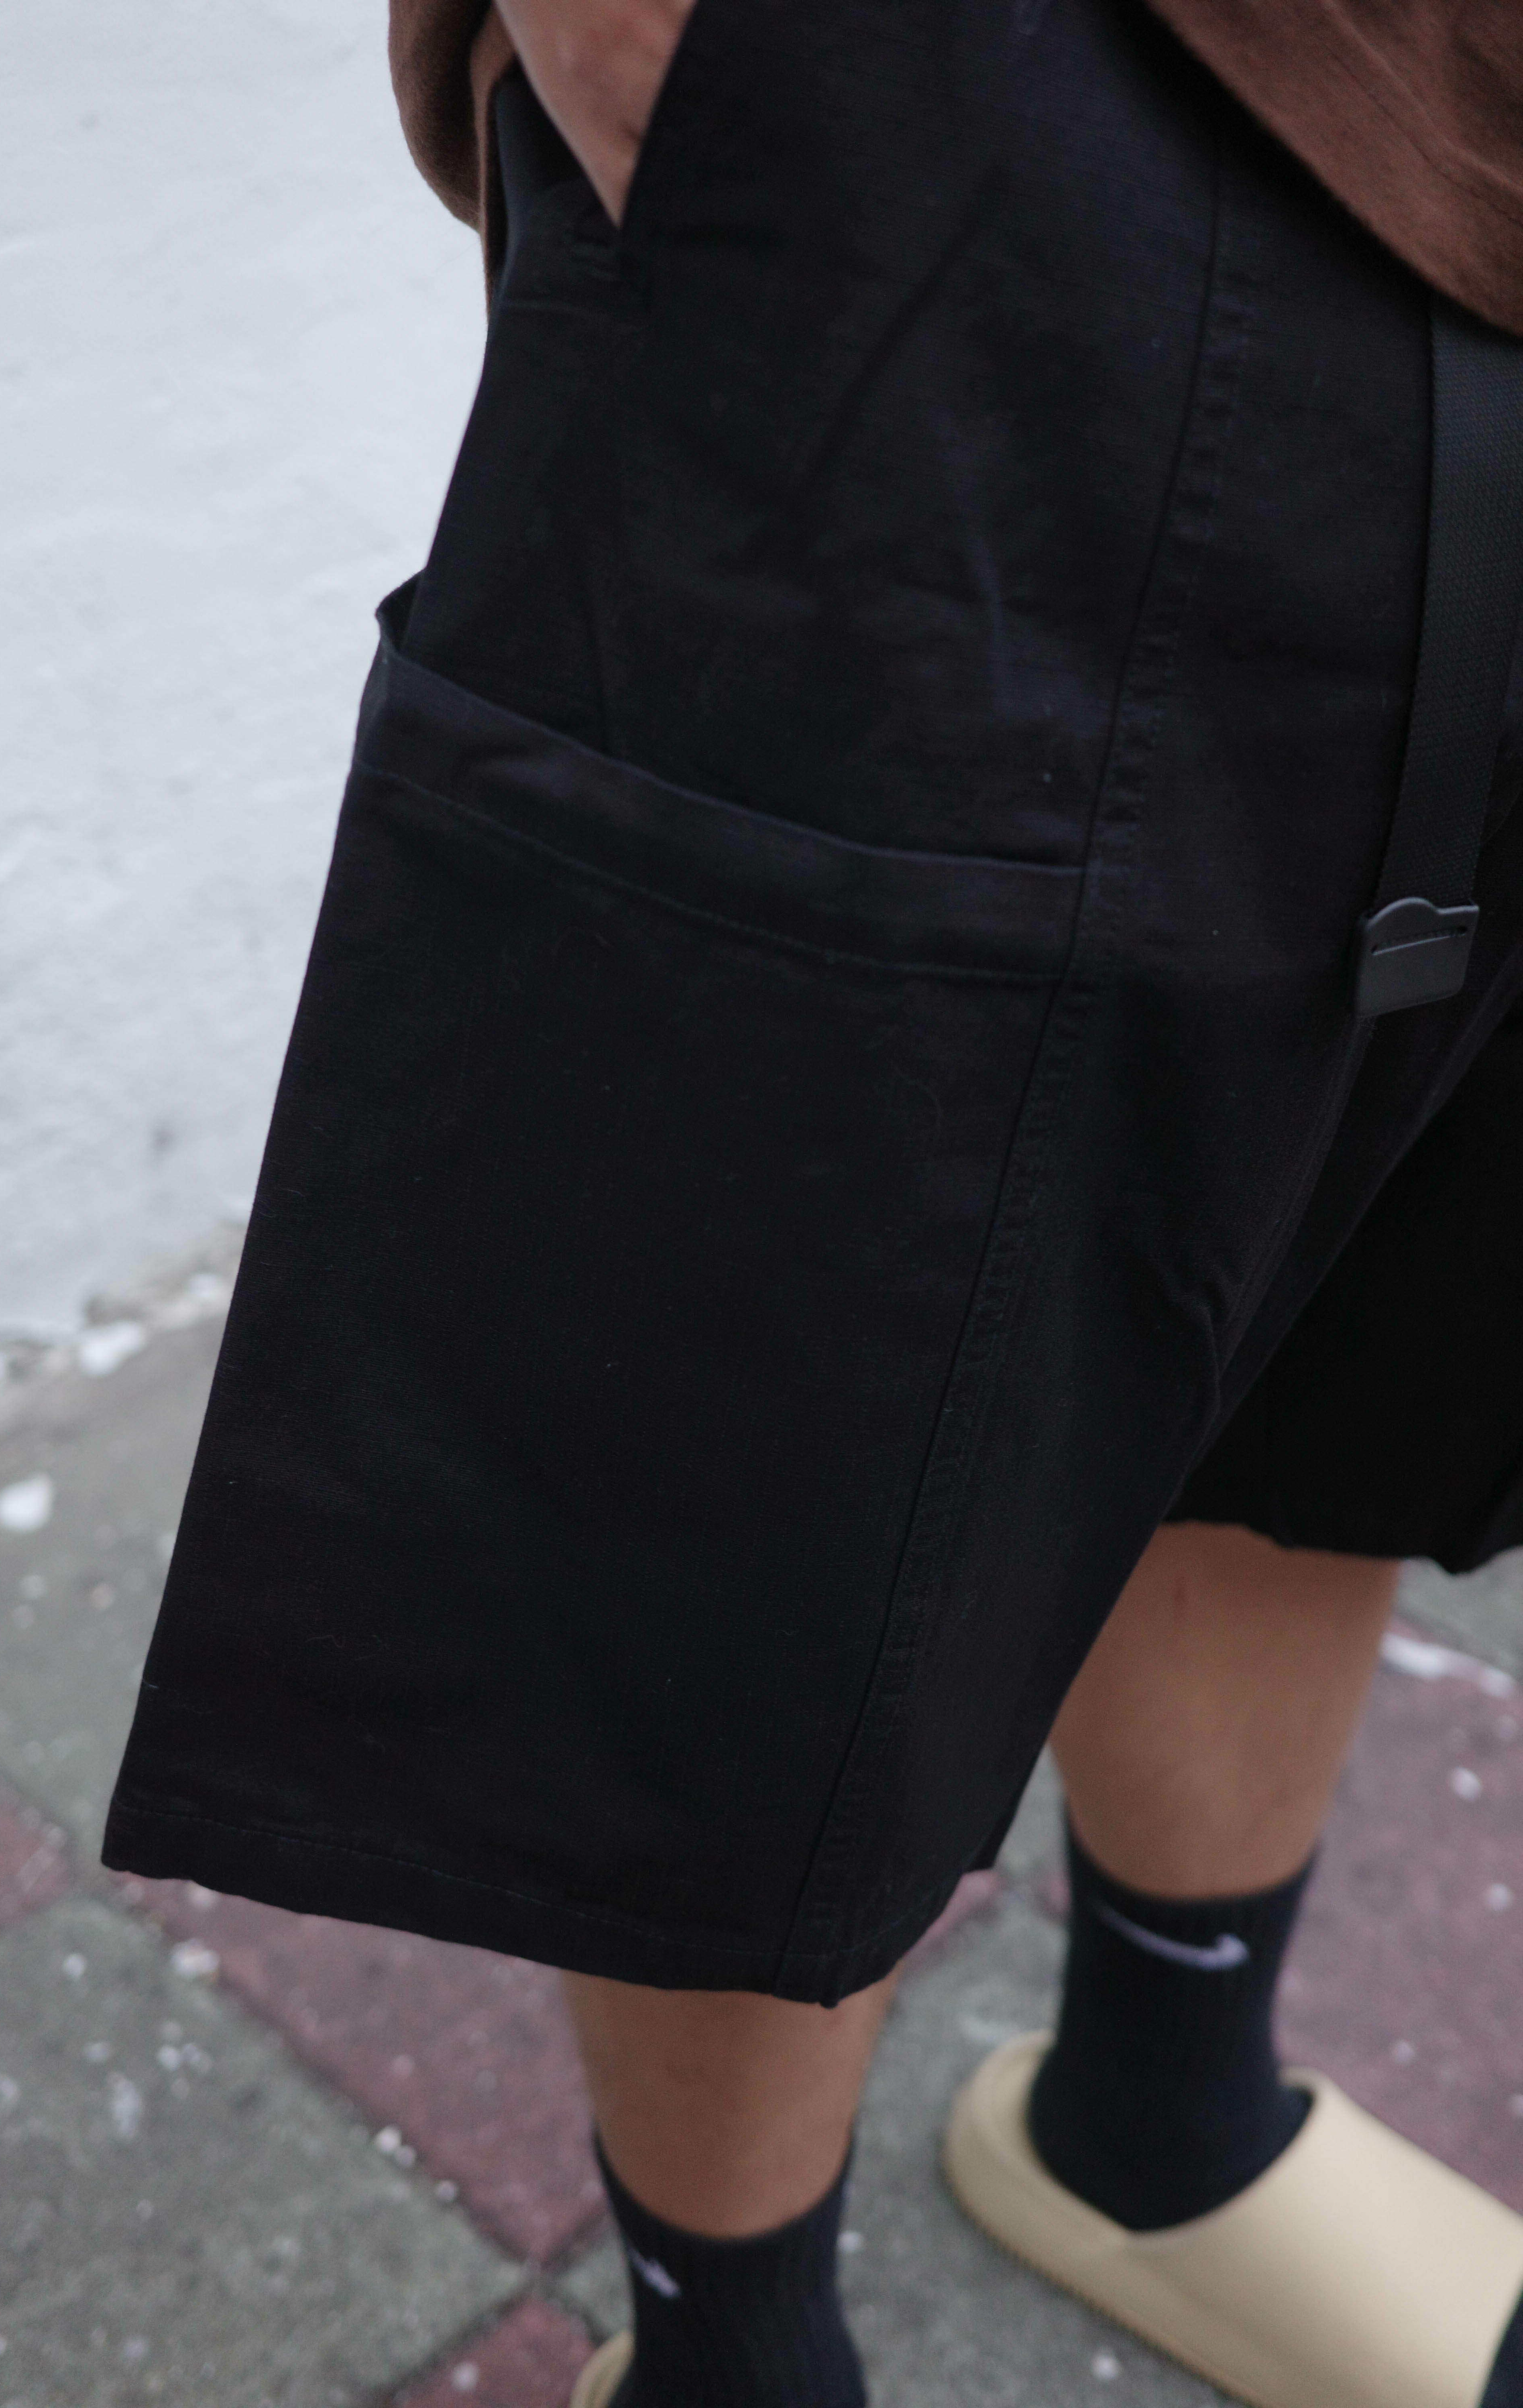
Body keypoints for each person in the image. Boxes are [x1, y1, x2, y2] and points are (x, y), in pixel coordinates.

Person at [104, 0, 1523, 2400]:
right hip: (992, 113)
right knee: (785, 1368)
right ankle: (727, 2354)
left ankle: (1165, 2115)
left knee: (1352, 1265)